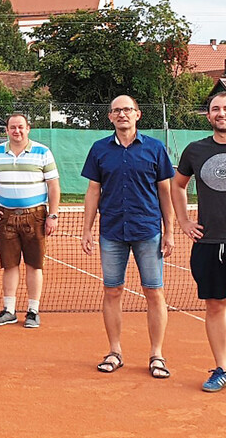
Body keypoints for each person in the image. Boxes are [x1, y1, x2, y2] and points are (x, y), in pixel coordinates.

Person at [81, 95, 175, 378]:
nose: (122, 114)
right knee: (112, 291)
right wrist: (86, 228)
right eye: (117, 110)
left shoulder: (156, 149)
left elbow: (165, 192)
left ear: (138, 115)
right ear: (110, 117)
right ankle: (114, 351)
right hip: (111, 232)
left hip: (148, 231)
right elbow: (93, 191)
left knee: (154, 292)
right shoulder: (99, 150)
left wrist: (169, 230)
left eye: (128, 110)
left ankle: (156, 355)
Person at [0, 114, 60, 328]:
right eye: (13, 127)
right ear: (6, 130)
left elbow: (53, 186)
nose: (17, 131)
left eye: (21, 127)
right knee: (9, 264)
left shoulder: (43, 152)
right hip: (6, 217)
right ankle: (9, 310)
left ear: (28, 129)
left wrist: (52, 215)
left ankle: (33, 311)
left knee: (34, 264)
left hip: (36, 216)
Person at [170, 92, 226, 392]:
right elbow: (177, 185)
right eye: (215, 109)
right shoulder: (195, 150)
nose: (221, 113)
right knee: (215, 305)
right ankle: (222, 368)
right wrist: (184, 221)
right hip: (209, 243)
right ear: (208, 116)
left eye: (225, 108)